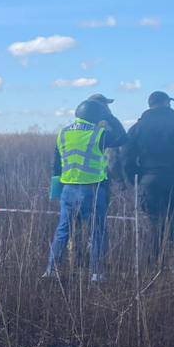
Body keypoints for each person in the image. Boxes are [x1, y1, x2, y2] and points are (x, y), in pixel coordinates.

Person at [121, 91, 174, 268]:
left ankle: (153, 268)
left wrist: (136, 179)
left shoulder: (139, 127)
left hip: (151, 181)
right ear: (167, 103)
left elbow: (126, 158)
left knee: (154, 227)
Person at [44, 94, 125, 282]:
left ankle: (51, 270)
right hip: (92, 190)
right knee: (97, 231)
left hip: (68, 189)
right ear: (97, 115)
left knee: (63, 230)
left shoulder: (63, 133)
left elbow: (56, 164)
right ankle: (96, 273)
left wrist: (56, 187)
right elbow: (123, 138)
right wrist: (111, 118)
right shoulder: (98, 134)